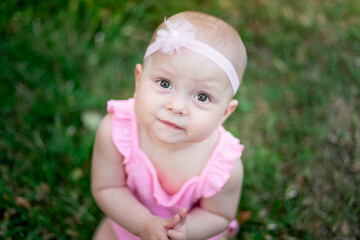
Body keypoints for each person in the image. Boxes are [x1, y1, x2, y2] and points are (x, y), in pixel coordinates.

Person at [91, 10, 247, 240]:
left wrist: (186, 231)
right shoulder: (117, 131)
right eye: (164, 83)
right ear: (138, 79)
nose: (177, 106)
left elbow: (218, 215)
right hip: (130, 220)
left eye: (202, 97)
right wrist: (142, 223)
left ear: (225, 113)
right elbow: (107, 188)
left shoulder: (224, 167)